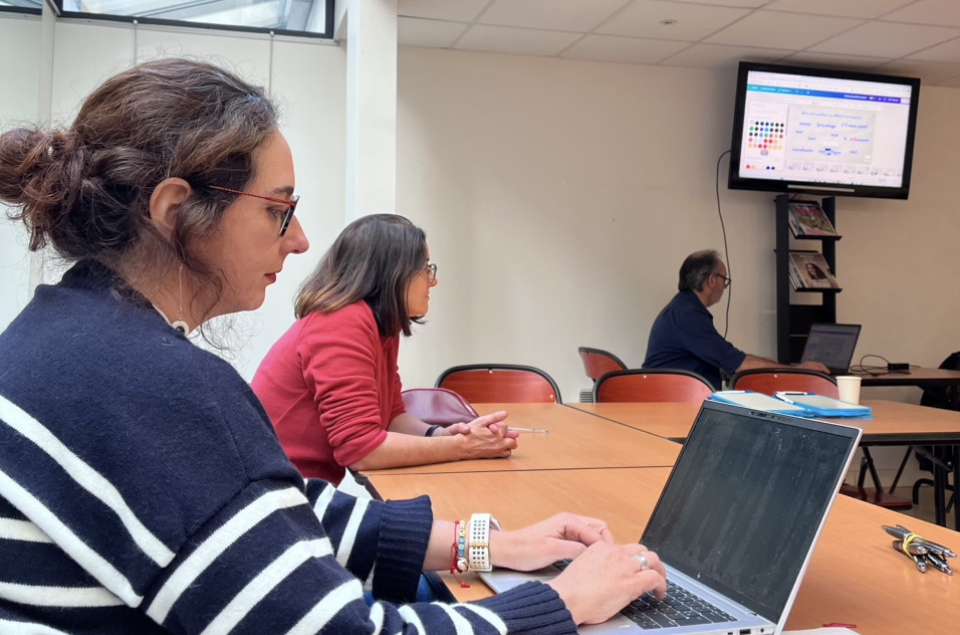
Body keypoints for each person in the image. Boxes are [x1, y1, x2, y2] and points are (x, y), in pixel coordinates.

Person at [0, 58, 665, 634]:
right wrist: (562, 601)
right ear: (177, 212)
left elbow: (279, 514)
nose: (300, 240)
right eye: (277, 209)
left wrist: (489, 543)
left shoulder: (67, 340)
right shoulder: (148, 383)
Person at [252, 214, 518, 485]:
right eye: (425, 268)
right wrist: (464, 448)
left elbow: (391, 417)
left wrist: (444, 436)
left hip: (298, 491)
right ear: (393, 273)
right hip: (272, 495)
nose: (432, 281)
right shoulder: (340, 322)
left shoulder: (378, 325)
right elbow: (361, 450)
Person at [643, 250, 828, 390]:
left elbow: (730, 358)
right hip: (673, 402)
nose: (725, 286)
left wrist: (769, 364)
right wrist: (801, 371)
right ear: (711, 280)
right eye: (724, 279)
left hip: (678, 397)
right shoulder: (687, 315)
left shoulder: (684, 308)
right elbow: (739, 363)